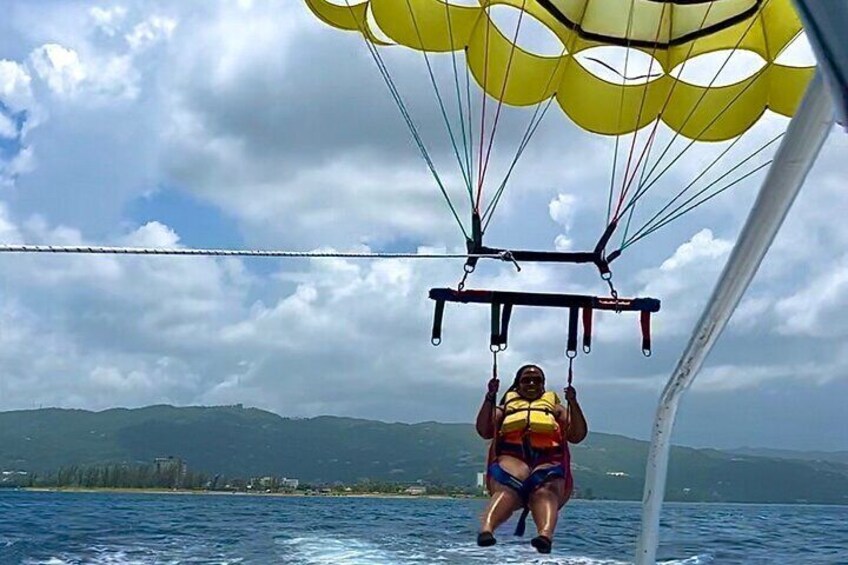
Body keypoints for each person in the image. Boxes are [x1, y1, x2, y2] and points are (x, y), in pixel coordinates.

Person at [475, 363, 588, 554]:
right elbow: (484, 430)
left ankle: (545, 535)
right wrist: (489, 397)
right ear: (518, 385)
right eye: (526, 379)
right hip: (512, 457)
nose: (532, 383)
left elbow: (577, 435)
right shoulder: (506, 408)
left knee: (546, 490)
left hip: (546, 459)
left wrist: (573, 402)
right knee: (508, 488)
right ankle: (487, 530)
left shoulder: (555, 408)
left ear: (543, 385)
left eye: (537, 380)